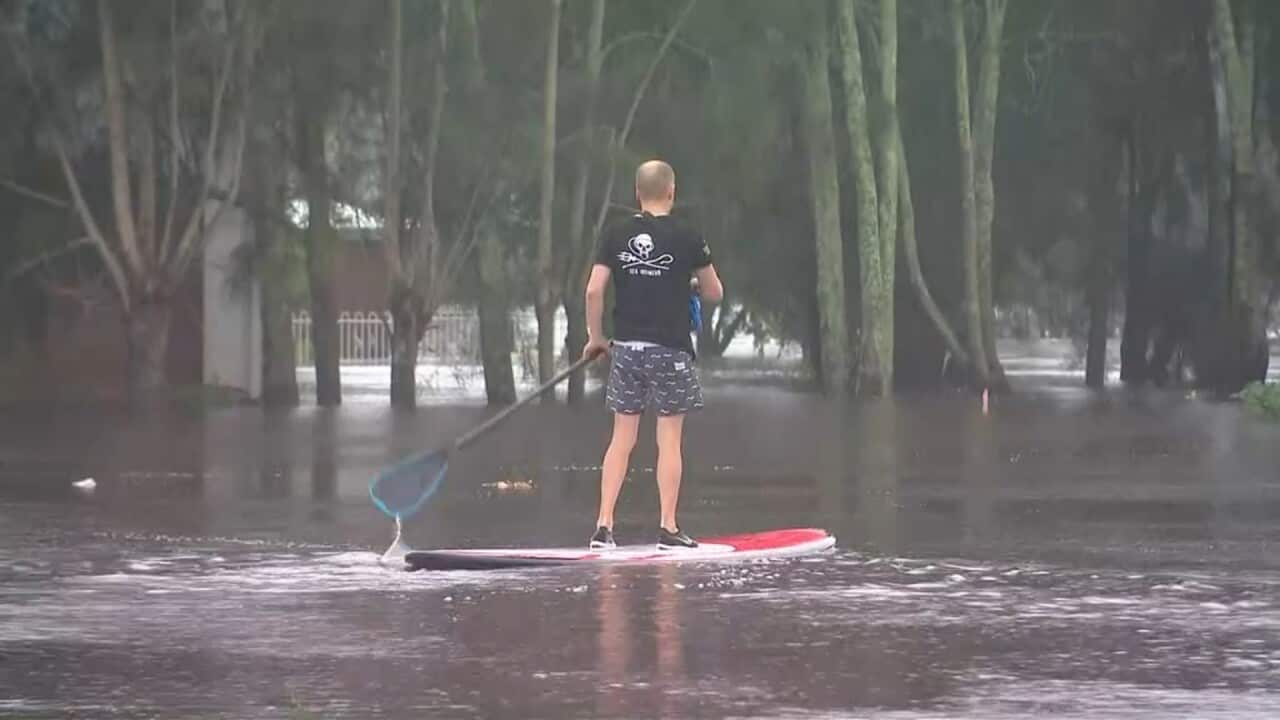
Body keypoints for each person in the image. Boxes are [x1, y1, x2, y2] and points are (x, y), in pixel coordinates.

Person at [581, 159, 724, 550]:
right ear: (672, 192)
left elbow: (594, 291)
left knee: (620, 440)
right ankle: (668, 528)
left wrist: (596, 338)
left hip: (626, 350)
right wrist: (689, 281)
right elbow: (715, 293)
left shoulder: (616, 233)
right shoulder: (688, 235)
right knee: (669, 441)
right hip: (671, 352)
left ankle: (603, 527)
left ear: (637, 193)